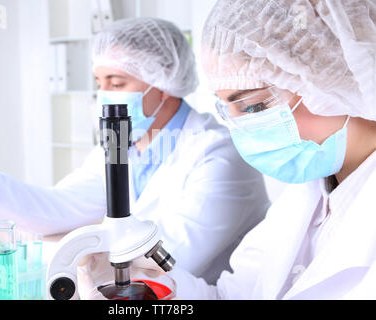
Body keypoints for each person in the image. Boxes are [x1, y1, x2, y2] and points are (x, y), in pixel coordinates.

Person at [0, 17, 270, 289]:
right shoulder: (125, 145)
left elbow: (158, 261)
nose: (103, 95)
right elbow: (57, 207)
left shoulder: (220, 155)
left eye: (116, 83)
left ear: (163, 84)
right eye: (98, 82)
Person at [160, 0, 376, 299]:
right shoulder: (305, 197)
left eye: (254, 106)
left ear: (338, 78)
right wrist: (150, 289)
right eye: (228, 110)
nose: (240, 130)